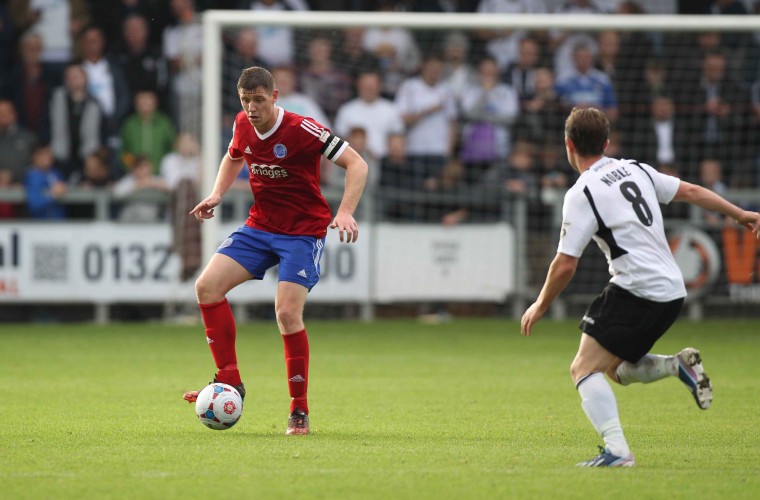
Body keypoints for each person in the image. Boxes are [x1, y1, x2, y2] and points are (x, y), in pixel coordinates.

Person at [520, 107, 760, 467]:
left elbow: (566, 263)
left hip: (637, 289)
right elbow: (692, 191)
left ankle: (617, 452)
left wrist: (539, 304)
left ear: (568, 145)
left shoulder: (581, 193)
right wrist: (740, 213)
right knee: (614, 368)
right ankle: (676, 366)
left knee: (583, 368)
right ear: (607, 142)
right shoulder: (636, 169)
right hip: (671, 291)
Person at [182, 66, 368, 436]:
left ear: (275, 97)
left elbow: (356, 164)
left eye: (259, 100)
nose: (251, 108)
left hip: (302, 233)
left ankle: (299, 409)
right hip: (261, 225)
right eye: (245, 100)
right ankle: (230, 380)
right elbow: (234, 155)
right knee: (206, 287)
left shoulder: (302, 129)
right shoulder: (242, 123)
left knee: (285, 313)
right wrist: (218, 192)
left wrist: (344, 211)